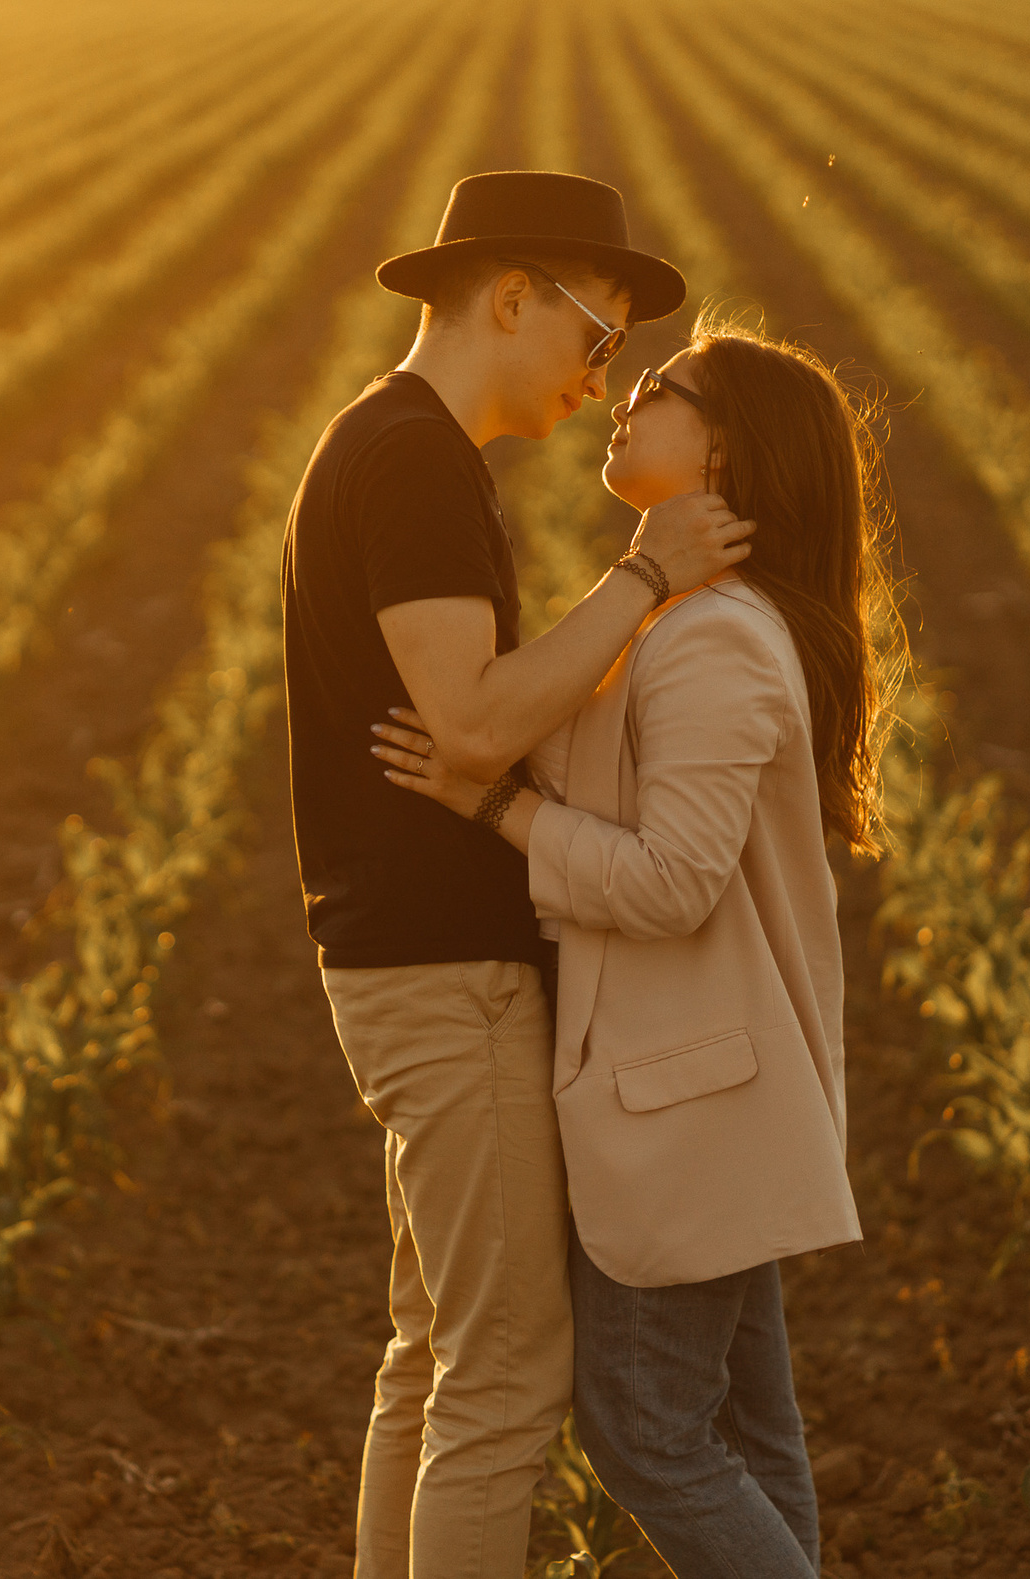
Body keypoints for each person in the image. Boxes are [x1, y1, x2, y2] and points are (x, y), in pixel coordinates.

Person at [280, 171, 752, 1579]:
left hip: (403, 961)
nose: (599, 378)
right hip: (445, 972)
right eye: (598, 341)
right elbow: (471, 721)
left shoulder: (387, 444)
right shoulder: (414, 457)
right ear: (507, 298)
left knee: (432, 1356)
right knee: (503, 1380)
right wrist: (647, 574)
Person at [370, 316, 889, 1577]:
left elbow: (667, 884)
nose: (627, 390)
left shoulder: (713, 639)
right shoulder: (687, 619)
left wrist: (493, 804)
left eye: (664, 385)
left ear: (727, 454)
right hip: (718, 1090)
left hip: (690, 1103)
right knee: (747, 1430)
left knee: (646, 1426)